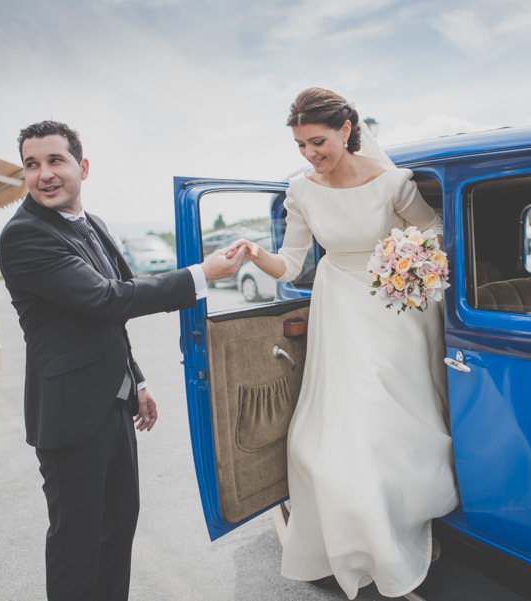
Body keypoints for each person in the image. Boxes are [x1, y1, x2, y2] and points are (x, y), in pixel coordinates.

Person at [226, 88, 459, 599]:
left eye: (318, 141)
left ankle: (399, 525)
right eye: (300, 145)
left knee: (387, 423)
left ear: (346, 130)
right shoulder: (301, 190)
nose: (310, 154)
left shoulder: (394, 183)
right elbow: (290, 265)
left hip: (396, 309)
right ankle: (357, 539)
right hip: (340, 312)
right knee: (336, 430)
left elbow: (435, 230)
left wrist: (405, 261)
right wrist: (254, 254)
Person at [0, 120, 242, 601]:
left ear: (83, 167)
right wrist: (200, 274)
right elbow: (108, 299)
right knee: (77, 543)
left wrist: (137, 380)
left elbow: (110, 313)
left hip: (115, 400)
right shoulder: (25, 235)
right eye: (31, 164)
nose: (44, 174)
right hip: (69, 414)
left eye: (55, 160)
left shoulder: (93, 224)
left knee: (118, 527)